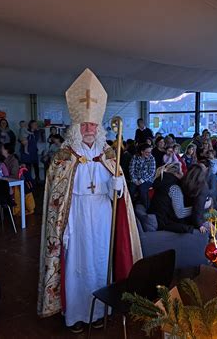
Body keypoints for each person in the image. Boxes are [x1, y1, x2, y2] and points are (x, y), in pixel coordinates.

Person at [38, 69, 142, 333]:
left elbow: (119, 196)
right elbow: (57, 198)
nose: (88, 129)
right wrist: (64, 229)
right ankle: (76, 315)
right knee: (76, 268)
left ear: (99, 128)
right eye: (84, 125)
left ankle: (100, 311)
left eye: (93, 125)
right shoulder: (63, 157)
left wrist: (117, 187)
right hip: (76, 219)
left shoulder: (109, 153)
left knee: (99, 265)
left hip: (103, 219)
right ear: (75, 127)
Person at [129, 143, 156, 210]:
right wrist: (135, 180)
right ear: (142, 151)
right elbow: (131, 169)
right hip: (135, 178)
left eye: (150, 152)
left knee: (142, 190)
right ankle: (130, 208)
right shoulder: (135, 157)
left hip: (147, 179)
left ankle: (146, 208)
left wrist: (141, 181)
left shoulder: (152, 158)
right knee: (131, 190)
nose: (149, 154)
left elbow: (151, 173)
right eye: (147, 152)